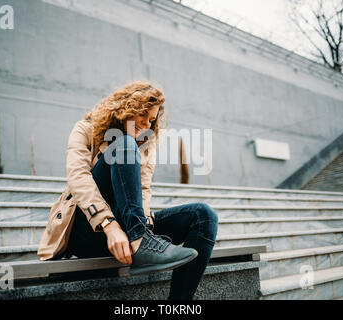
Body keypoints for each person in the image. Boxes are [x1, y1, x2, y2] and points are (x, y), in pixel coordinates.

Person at [39, 80, 218, 300]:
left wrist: (140, 223)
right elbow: (79, 179)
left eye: (152, 120)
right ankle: (139, 238)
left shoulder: (145, 144)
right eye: (143, 115)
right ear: (127, 107)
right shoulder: (85, 129)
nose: (146, 124)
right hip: (88, 228)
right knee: (123, 144)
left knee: (203, 215)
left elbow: (143, 189)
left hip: (130, 230)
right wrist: (109, 225)